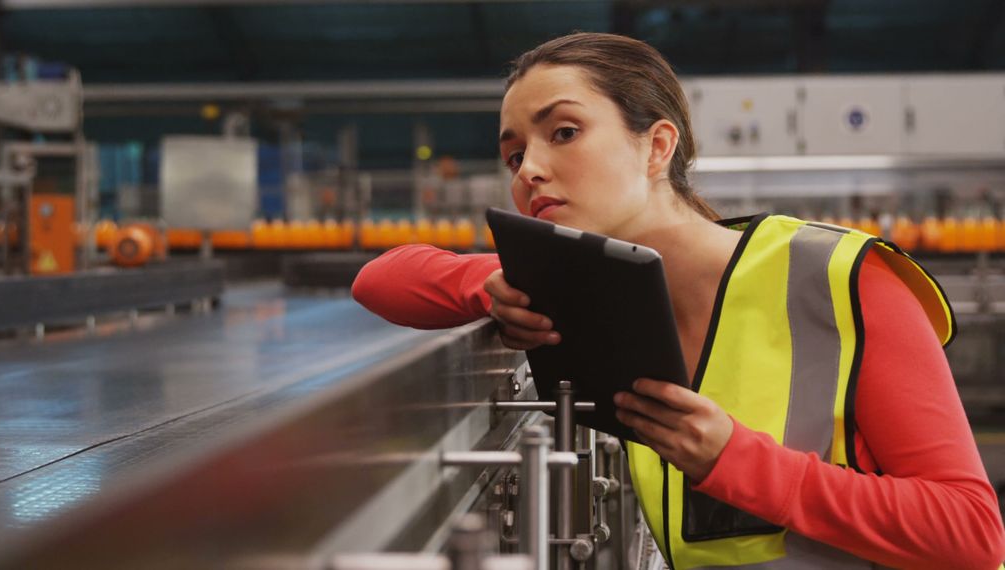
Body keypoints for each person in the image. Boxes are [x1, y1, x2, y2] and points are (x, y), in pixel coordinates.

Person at [352, 32, 1005, 569]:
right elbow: (381, 279)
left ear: (657, 146)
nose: (528, 170)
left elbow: (972, 533)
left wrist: (736, 461)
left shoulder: (839, 278)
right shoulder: (595, 289)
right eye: (514, 153)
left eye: (564, 133)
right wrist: (487, 287)